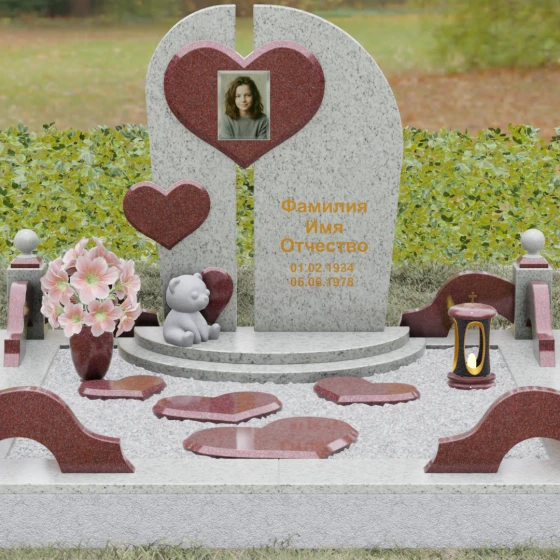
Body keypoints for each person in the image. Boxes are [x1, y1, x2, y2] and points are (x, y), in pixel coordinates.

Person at [219, 76, 269, 140]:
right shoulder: (227, 119)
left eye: (247, 95)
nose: (243, 100)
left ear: (254, 96)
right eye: (238, 96)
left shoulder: (263, 120)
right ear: (233, 98)